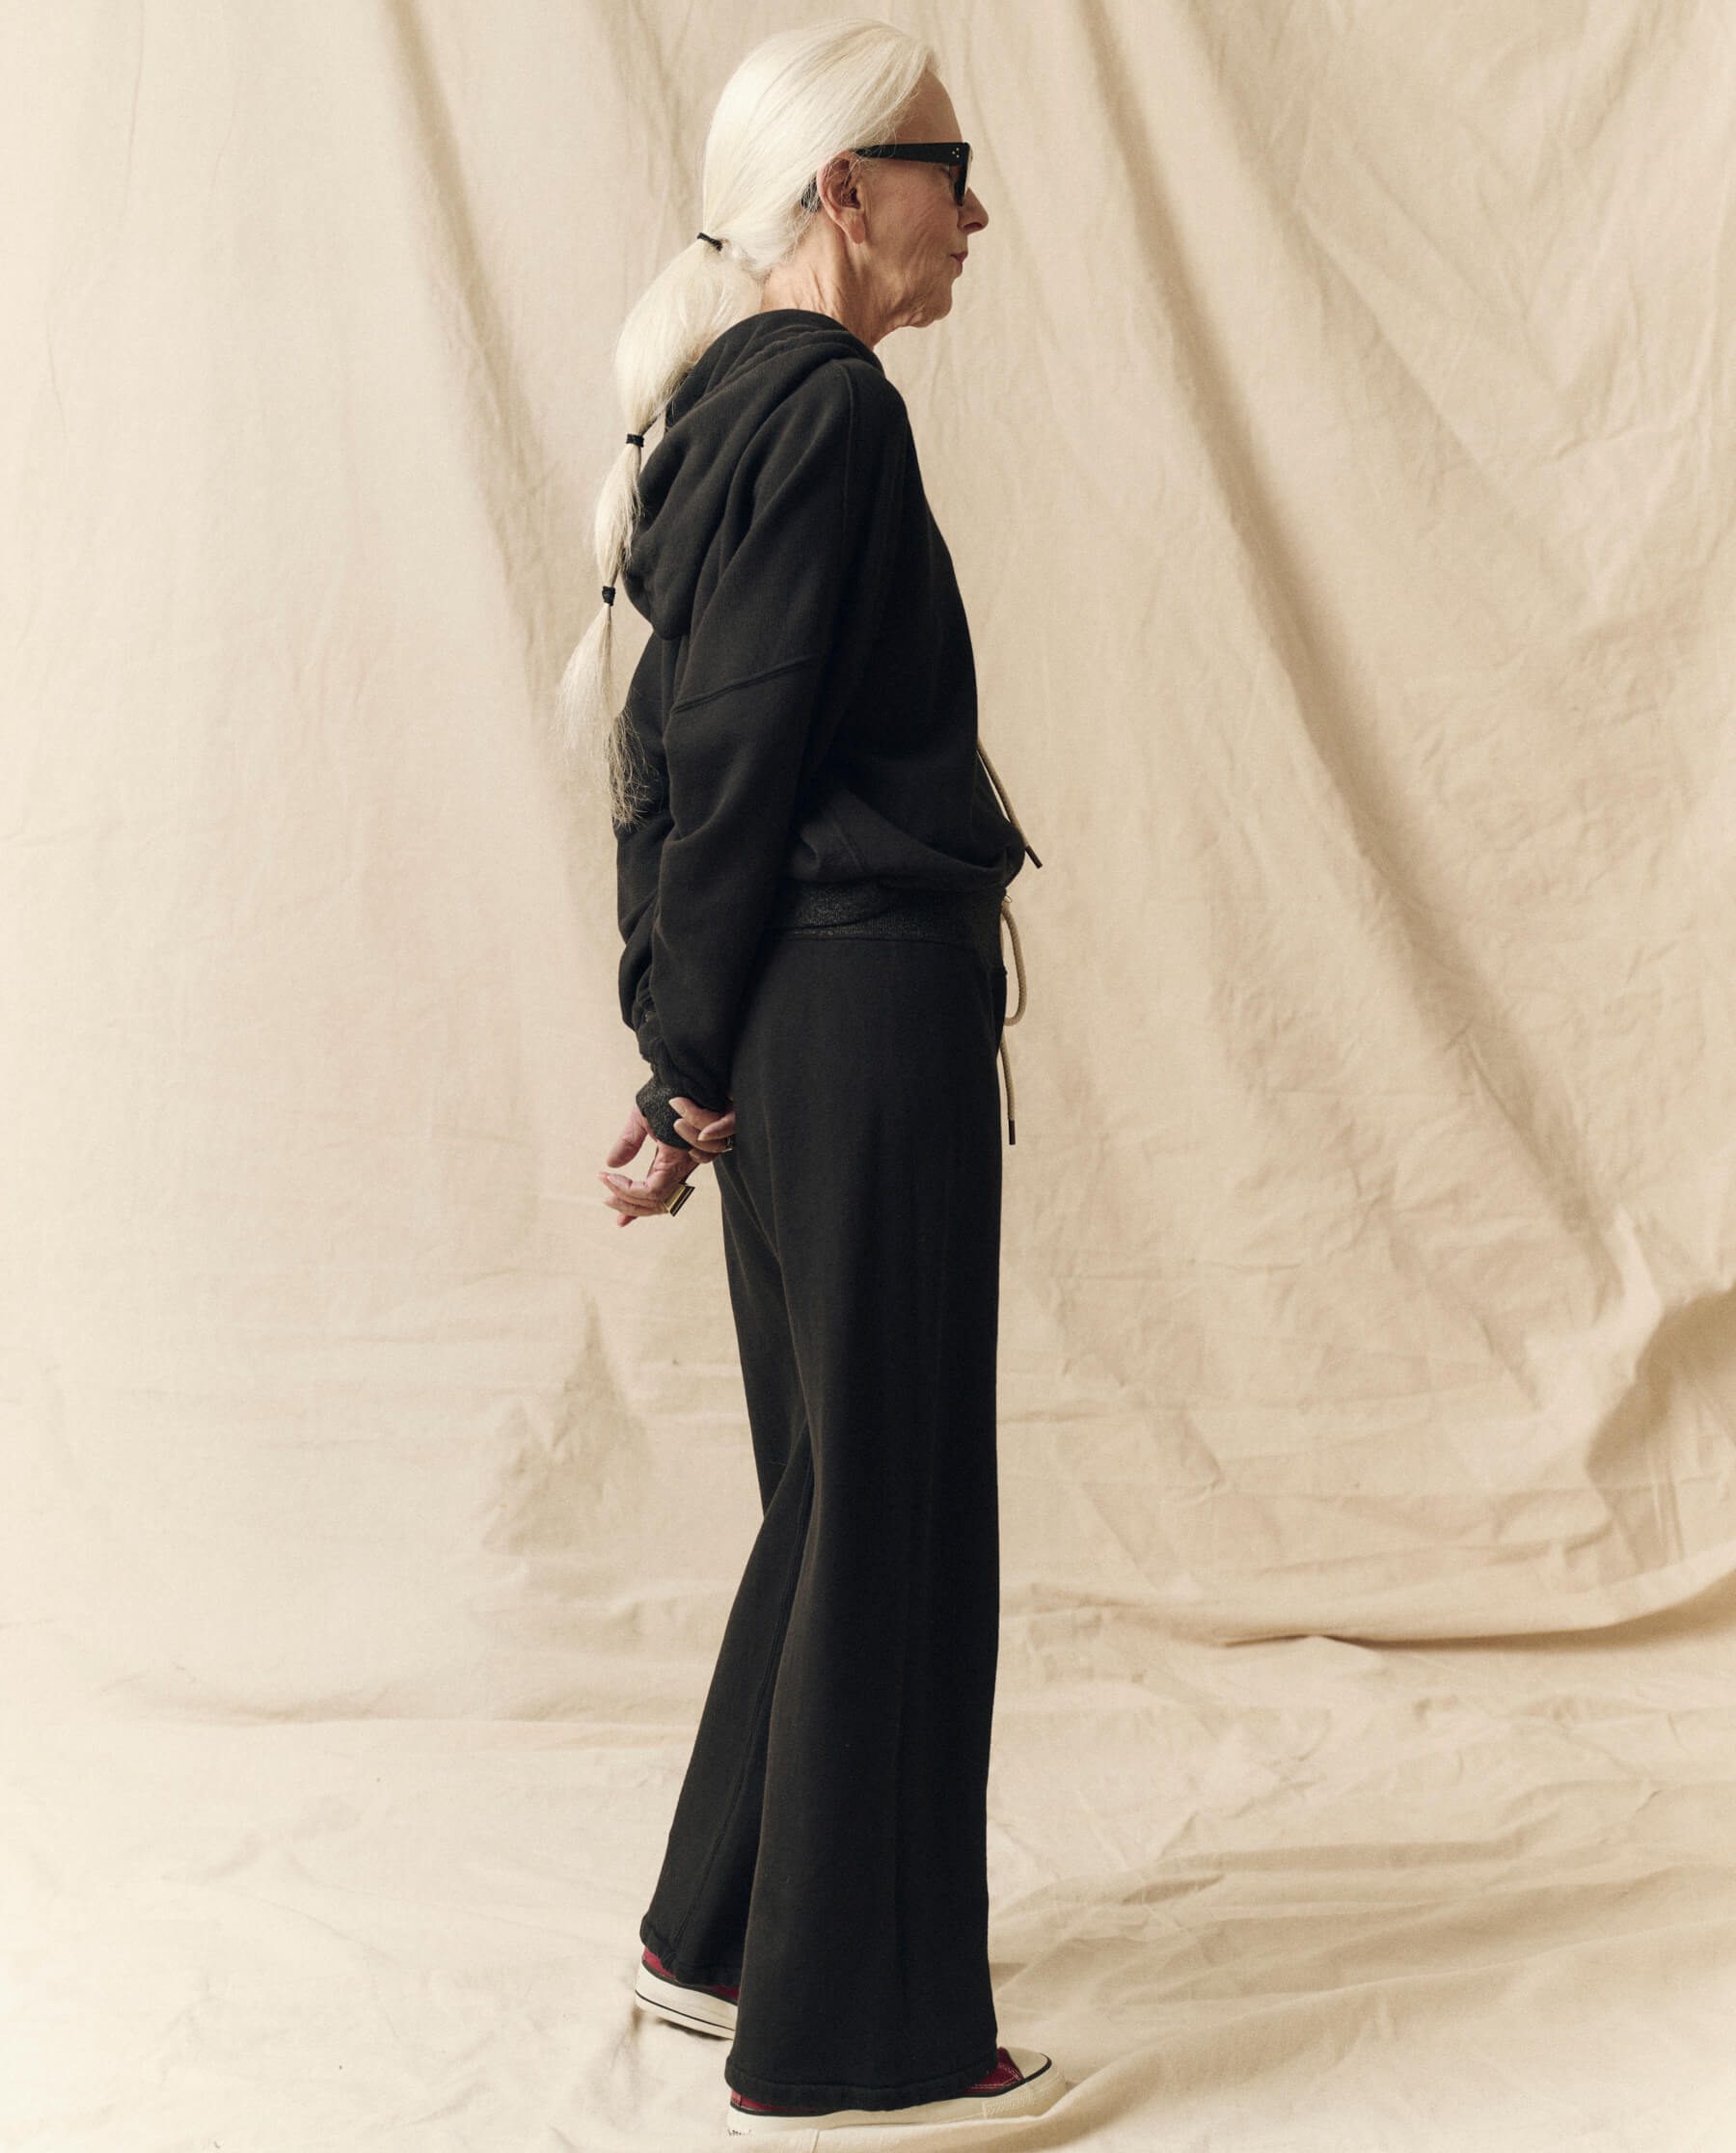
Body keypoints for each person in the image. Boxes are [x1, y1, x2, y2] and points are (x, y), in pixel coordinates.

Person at [558, 18, 1062, 2136]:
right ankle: (866, 2044)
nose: (977, 208)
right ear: (847, 191)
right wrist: (681, 1063)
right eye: (951, 165)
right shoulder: (830, 409)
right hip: (858, 1019)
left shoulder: (721, 414)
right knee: (896, 1514)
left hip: (796, 1024)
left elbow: (668, 764)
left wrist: (682, 1047)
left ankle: (717, 1936)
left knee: (840, 1493)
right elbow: (736, 758)